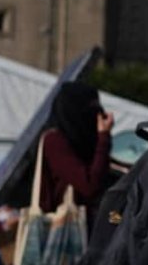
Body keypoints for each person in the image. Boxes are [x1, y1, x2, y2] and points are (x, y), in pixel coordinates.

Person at [39, 82, 113, 214]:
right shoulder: (55, 141)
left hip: (100, 217)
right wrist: (104, 137)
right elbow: (89, 185)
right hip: (67, 226)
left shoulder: (84, 140)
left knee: (121, 220)